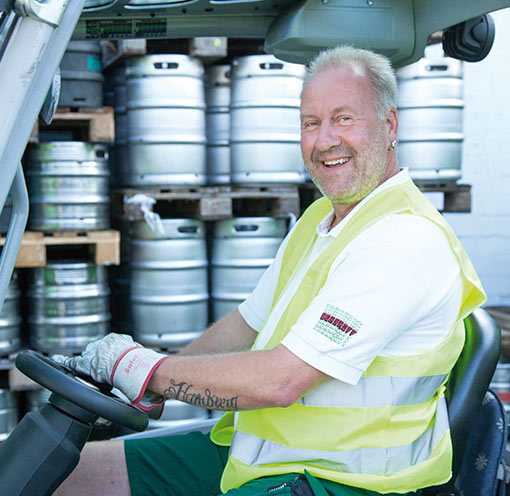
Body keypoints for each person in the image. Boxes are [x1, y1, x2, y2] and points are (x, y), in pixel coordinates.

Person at [54, 45, 486, 496]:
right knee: (70, 471)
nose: (324, 141)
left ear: (389, 125)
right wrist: (157, 383)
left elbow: (280, 382)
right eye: (311, 123)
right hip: (267, 459)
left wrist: (147, 369)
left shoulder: (402, 241)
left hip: (343, 482)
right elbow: (246, 325)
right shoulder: (321, 221)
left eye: (344, 118)